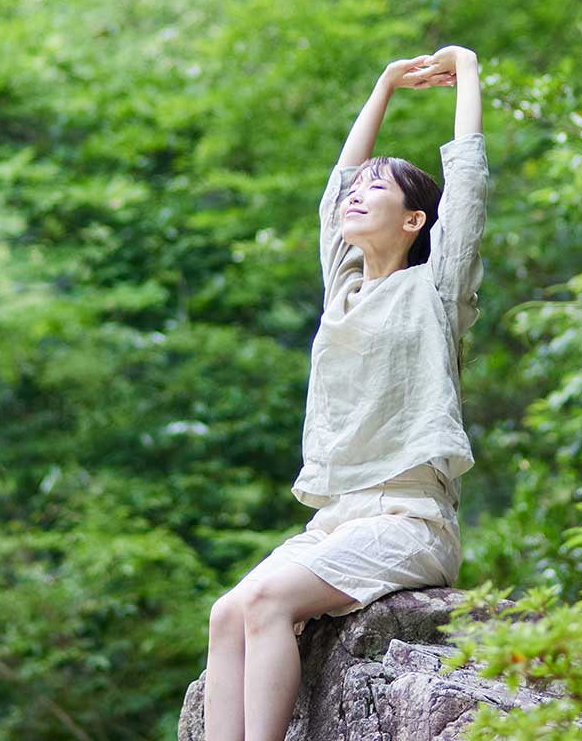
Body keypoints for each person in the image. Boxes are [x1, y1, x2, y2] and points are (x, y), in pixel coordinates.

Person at [203, 46, 490, 741]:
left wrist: (469, 71)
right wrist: (385, 82)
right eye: (358, 189)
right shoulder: (347, 289)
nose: (356, 195)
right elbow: (333, 190)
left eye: (378, 189)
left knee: (268, 600)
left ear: (415, 220)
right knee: (226, 614)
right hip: (337, 520)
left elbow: (470, 189)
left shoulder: (437, 288)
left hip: (409, 519)